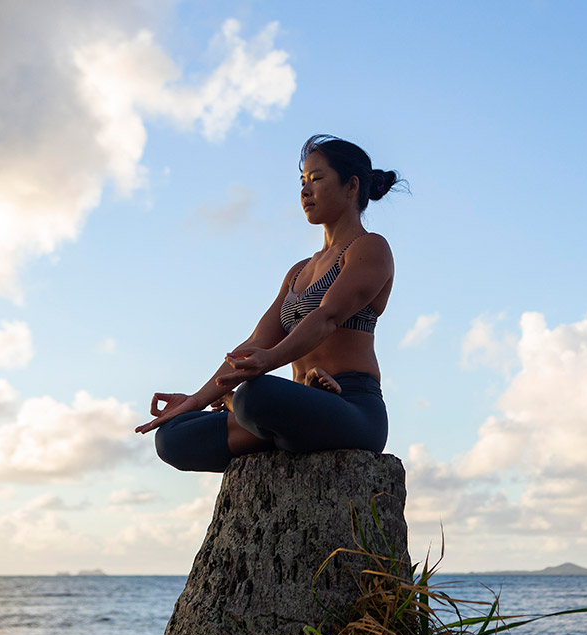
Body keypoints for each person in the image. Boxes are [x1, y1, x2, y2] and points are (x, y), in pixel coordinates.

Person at [135, 135, 402, 472]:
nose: (305, 191)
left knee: (254, 397)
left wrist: (269, 363)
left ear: (351, 186)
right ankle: (286, 430)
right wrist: (196, 400)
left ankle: (269, 419)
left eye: (317, 179)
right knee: (173, 437)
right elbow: (256, 343)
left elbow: (328, 316)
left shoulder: (370, 248)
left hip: (351, 406)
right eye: (302, 182)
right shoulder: (298, 271)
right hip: (301, 402)